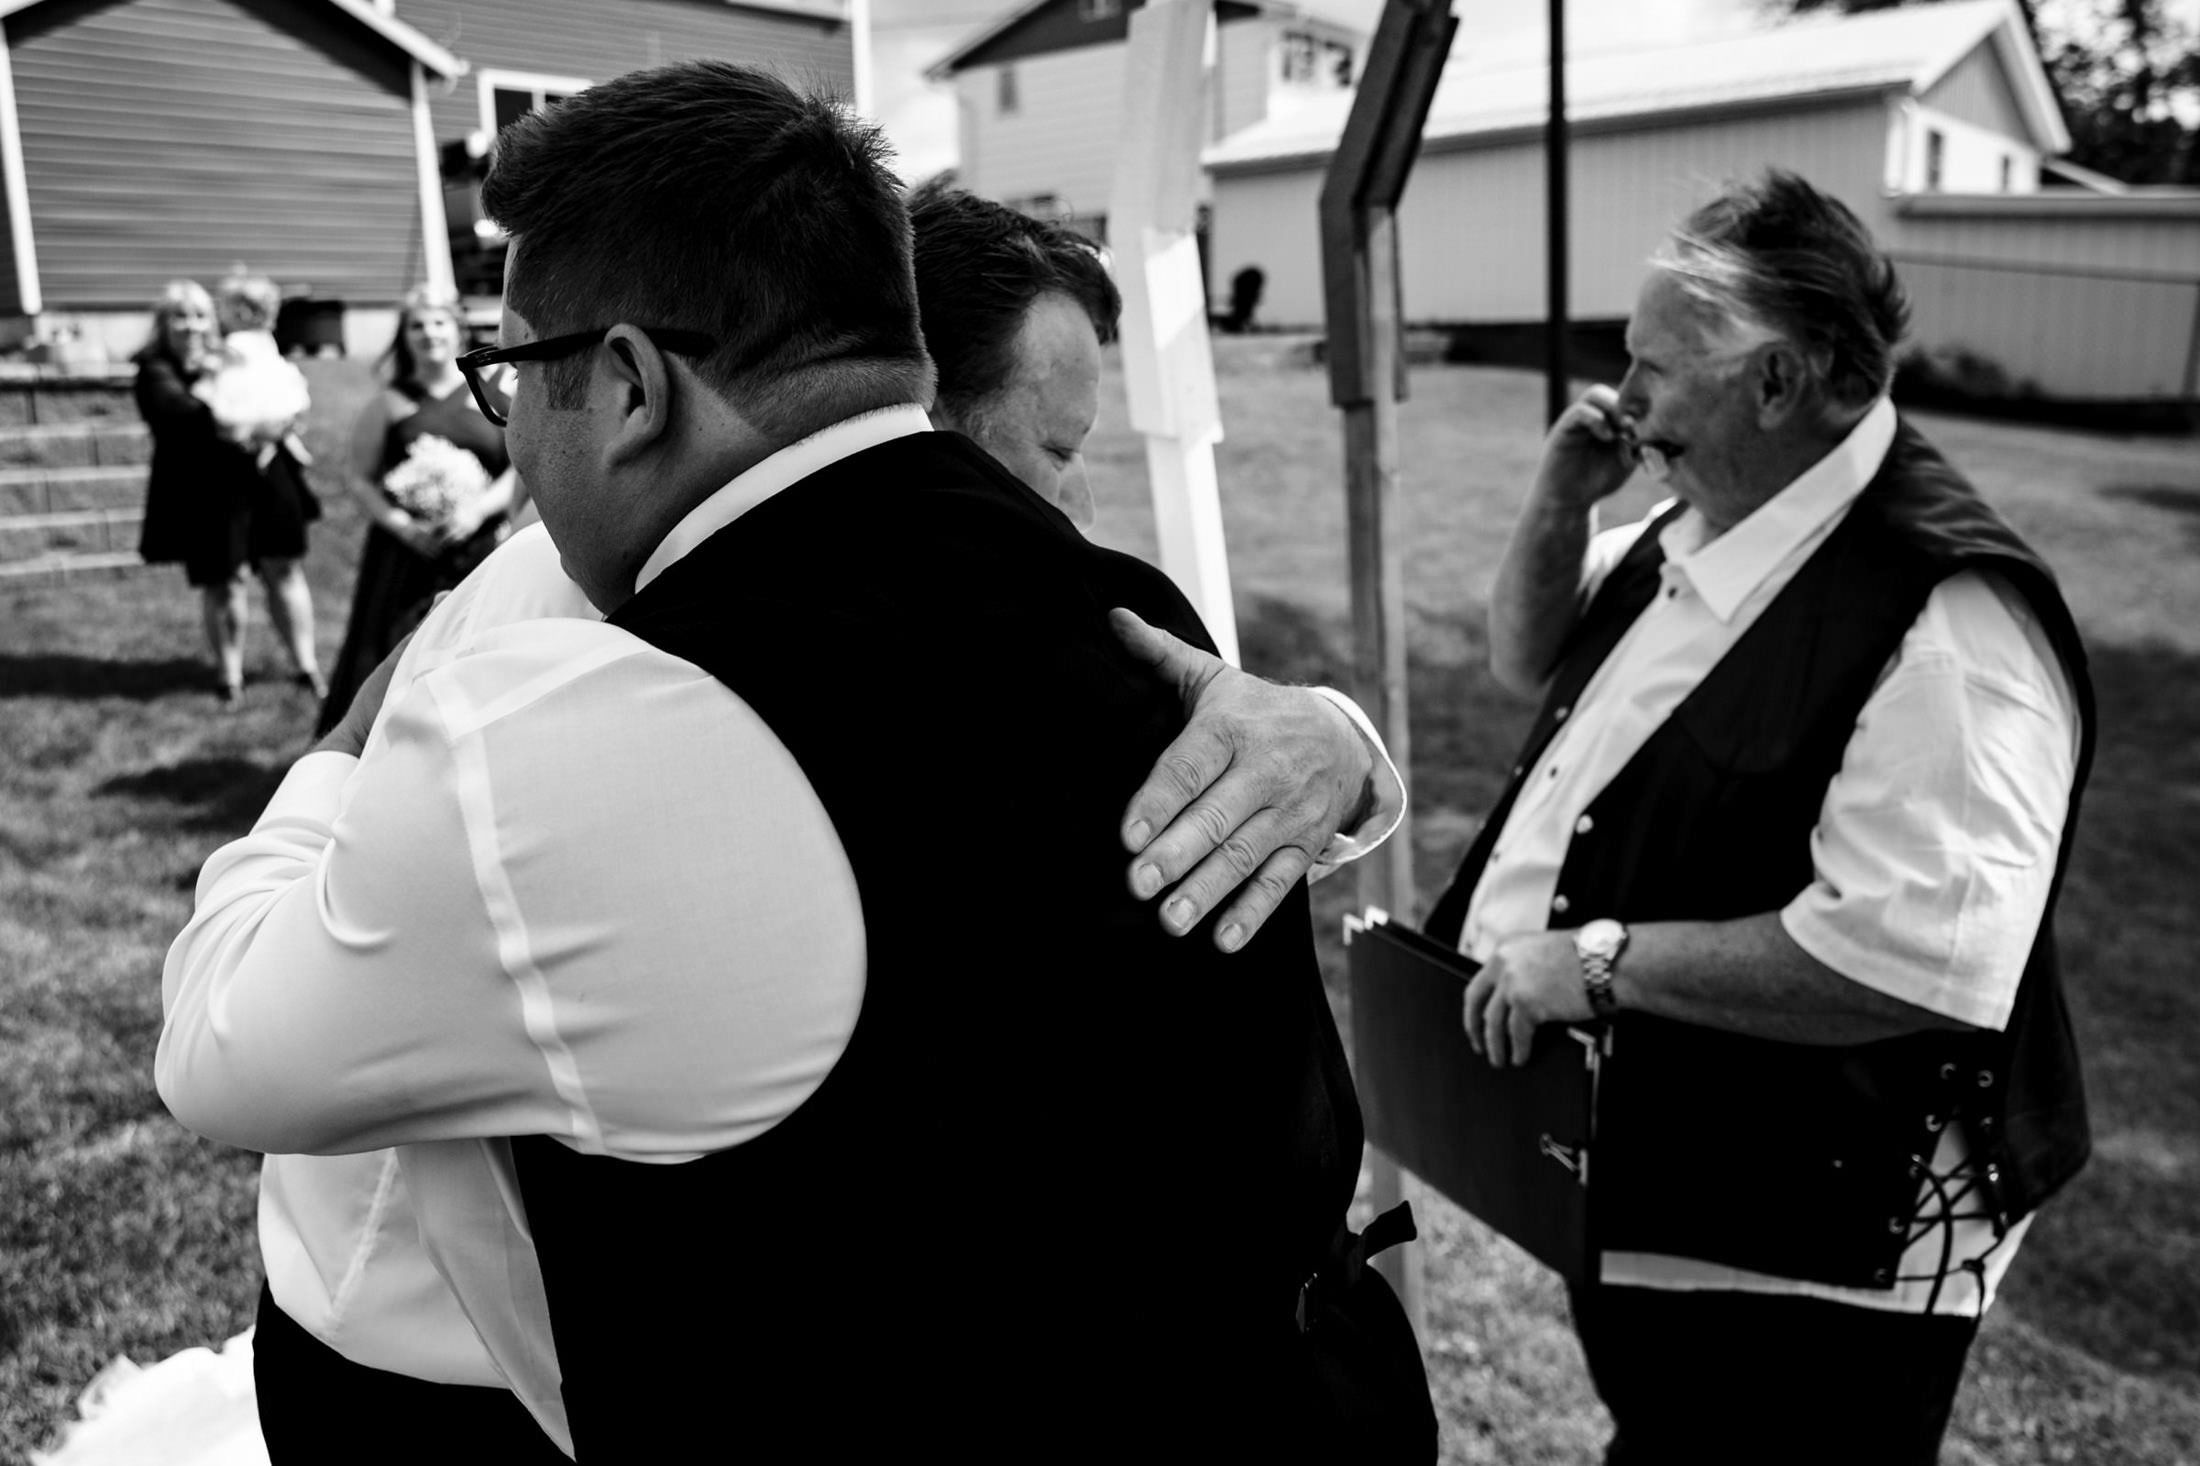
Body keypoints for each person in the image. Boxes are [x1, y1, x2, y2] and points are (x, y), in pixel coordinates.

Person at [160, 61, 1434, 1463]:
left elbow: (220, 1053)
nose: (512, 431)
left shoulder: (592, 709)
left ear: (632, 383)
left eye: (515, 375)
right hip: (1279, 1402)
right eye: (1057, 446)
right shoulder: (1120, 617)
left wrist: (345, 742)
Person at [1425, 170, 2094, 1465]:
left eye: (1653, 366)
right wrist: (1565, 499)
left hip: (1821, 1260)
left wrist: (1598, 964)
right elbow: (1530, 655)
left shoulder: (1950, 619)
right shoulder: (1715, 520)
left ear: (1777, 382)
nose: (1625, 398)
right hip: (1686, 1195)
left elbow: (1918, 954)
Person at [315, 288, 523, 735]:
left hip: (477, 545)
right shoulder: (388, 402)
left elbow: (519, 461)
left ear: (457, 329)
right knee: (396, 648)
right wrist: (404, 527)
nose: (428, 333)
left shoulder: (490, 394)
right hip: (406, 553)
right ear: (403, 336)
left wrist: (479, 510)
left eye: (438, 323)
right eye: (416, 325)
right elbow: (359, 477)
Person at [133, 279, 325, 703]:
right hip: (209, 489)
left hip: (268, 475)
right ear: (163, 324)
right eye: (179, 317)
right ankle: (230, 677)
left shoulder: (242, 355)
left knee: (284, 567)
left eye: (200, 314)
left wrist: (285, 415)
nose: (191, 326)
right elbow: (189, 416)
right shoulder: (158, 372)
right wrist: (258, 425)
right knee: (225, 580)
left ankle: (306, 666)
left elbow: (283, 392)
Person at [195, 270, 313, 473]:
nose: (219, 312)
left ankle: (261, 448)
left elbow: (228, 364)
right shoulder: (265, 337)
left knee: (238, 422)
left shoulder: (236, 341)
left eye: (223, 306)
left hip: (246, 400)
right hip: (274, 397)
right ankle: (283, 443)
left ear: (241, 311)